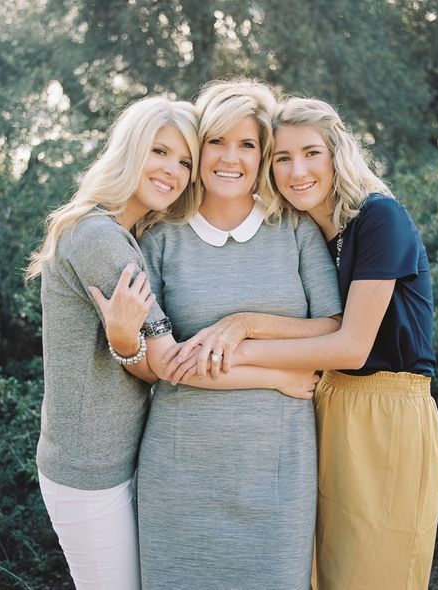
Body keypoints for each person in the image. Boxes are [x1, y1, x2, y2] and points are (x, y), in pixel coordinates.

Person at [175, 96, 438, 590]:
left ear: (336, 153)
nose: (298, 170)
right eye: (282, 157)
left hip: (386, 410)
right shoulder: (311, 234)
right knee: (324, 575)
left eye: (312, 153)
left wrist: (239, 340)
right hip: (325, 405)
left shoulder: (380, 218)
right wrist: (242, 325)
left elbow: (351, 346)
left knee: (375, 574)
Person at [132, 81, 343, 590]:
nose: (231, 158)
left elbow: (333, 328)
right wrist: (276, 374)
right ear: (197, 149)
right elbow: (165, 364)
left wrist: (243, 324)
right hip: (181, 468)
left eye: (247, 144)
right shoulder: (160, 239)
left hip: (277, 469)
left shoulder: (294, 229)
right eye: (216, 142)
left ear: (264, 154)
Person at [24, 96, 200, 590]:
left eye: (185, 161)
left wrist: (125, 341)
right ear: (130, 150)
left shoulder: (128, 233)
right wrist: (282, 370)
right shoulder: (99, 237)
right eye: (160, 151)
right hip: (87, 472)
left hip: (119, 458)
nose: (174, 170)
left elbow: (143, 363)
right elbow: (166, 360)